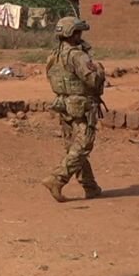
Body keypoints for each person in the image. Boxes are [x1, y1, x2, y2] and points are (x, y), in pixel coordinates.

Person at [42, 16, 107, 203]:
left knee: (74, 147)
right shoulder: (77, 56)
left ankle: (90, 186)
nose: (81, 36)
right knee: (83, 145)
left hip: (64, 105)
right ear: (73, 34)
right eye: (79, 32)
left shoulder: (54, 56)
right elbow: (93, 79)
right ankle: (57, 179)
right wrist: (99, 69)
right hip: (81, 106)